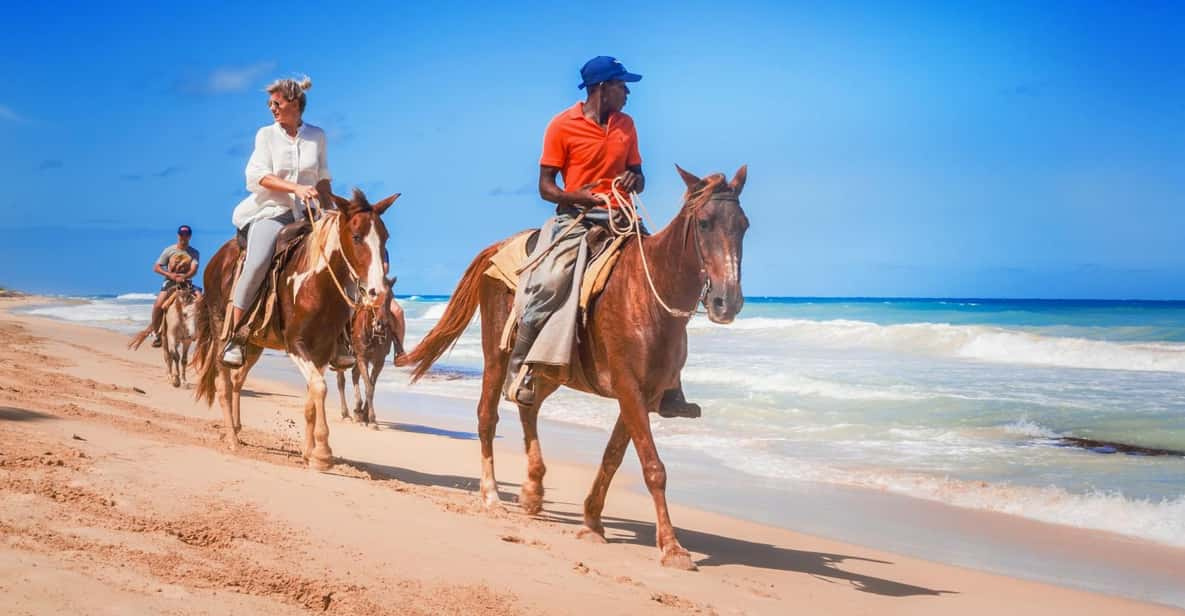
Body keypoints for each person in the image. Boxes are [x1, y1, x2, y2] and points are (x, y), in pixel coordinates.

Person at [505, 56, 700, 418]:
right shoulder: (562, 125)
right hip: (577, 218)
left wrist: (634, 180)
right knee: (549, 282)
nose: (627, 93)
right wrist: (577, 196)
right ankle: (520, 368)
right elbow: (546, 187)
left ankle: (672, 386)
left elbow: (639, 175)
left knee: (664, 282)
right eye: (621, 86)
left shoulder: (627, 125)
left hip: (623, 217)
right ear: (601, 88)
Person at [221, 76, 351, 368]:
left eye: (277, 103)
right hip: (272, 211)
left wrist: (333, 211)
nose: (272, 108)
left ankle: (343, 337)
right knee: (257, 263)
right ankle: (236, 336)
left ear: (295, 103)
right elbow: (257, 177)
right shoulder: (265, 135)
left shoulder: (317, 136)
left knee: (342, 259)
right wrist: (296, 189)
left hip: (310, 213)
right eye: (270, 104)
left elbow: (323, 179)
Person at [148, 225, 200, 347]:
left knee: (201, 300)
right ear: (178, 235)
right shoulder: (169, 250)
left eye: (186, 235)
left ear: (190, 236)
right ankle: (157, 333)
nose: (184, 237)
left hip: (186, 283)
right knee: (158, 305)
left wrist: (185, 276)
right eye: (182, 235)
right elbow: (156, 267)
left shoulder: (194, 253)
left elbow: (194, 269)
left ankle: (199, 332)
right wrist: (170, 275)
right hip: (170, 282)